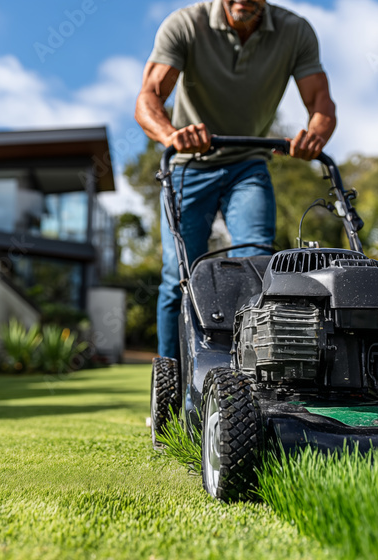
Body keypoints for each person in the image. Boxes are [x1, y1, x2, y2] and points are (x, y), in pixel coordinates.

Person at [136, 0, 337, 360]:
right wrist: (170, 135)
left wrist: (315, 137)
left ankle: (248, 372)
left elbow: (321, 101)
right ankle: (171, 384)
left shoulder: (295, 31)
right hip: (189, 164)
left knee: (257, 265)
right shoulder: (185, 24)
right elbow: (148, 98)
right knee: (178, 276)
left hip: (249, 164)